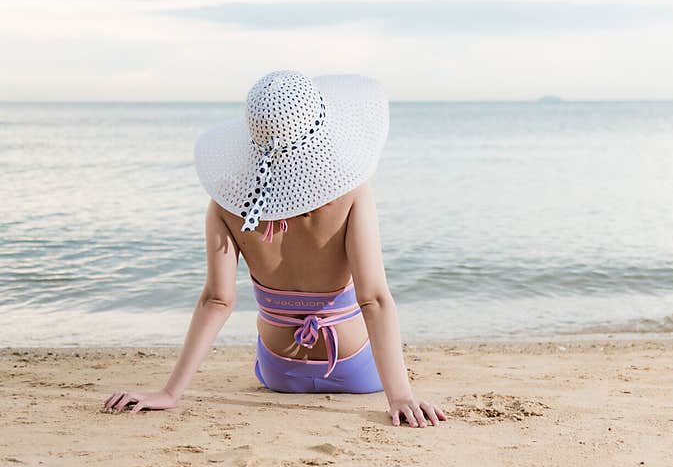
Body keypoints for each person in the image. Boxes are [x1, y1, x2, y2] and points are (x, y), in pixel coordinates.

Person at [103, 70, 446, 428]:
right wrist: (401, 397)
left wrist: (170, 393)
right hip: (354, 367)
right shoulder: (351, 192)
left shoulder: (228, 203)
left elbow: (216, 301)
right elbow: (373, 299)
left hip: (280, 371)